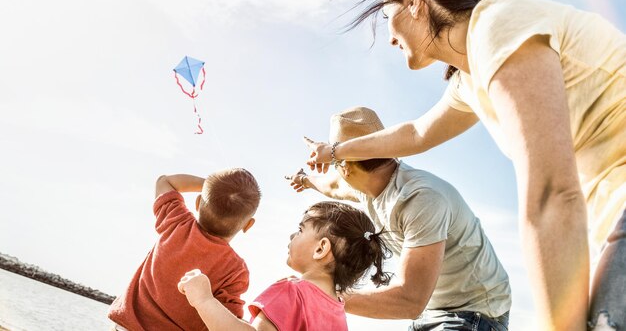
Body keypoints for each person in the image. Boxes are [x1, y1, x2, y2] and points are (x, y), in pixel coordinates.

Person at [303, 0, 626, 330]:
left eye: (387, 18)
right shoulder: (471, 76)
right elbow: (415, 133)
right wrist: (335, 151)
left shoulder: (496, 28)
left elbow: (552, 196)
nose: (390, 38)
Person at [289, 106, 511, 330]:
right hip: (432, 309)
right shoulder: (365, 185)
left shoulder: (419, 199)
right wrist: (305, 179)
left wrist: (327, 294)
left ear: (346, 168)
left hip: (476, 313)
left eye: (337, 164)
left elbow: (410, 300)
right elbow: (330, 186)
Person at [177, 201, 391, 331]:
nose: (292, 235)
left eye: (300, 230)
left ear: (320, 249)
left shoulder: (291, 291)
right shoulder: (337, 312)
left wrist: (203, 299)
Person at [108, 169, 261, 331]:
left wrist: (210, 187)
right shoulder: (235, 270)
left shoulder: (177, 223)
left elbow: (164, 182)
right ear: (248, 225)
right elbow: (223, 322)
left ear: (198, 202)